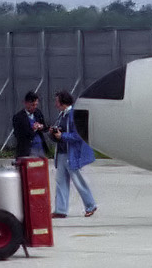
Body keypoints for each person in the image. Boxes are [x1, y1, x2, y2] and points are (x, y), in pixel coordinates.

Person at [50, 90, 97, 218]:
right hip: (62, 153)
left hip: (71, 154)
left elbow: (78, 136)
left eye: (57, 101)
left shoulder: (73, 115)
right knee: (60, 181)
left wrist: (62, 135)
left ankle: (90, 205)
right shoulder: (62, 115)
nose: (55, 104)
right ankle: (60, 209)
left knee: (77, 181)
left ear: (62, 102)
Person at [10, 91, 51, 159]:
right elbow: (18, 135)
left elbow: (45, 126)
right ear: (26, 103)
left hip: (40, 148)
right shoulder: (18, 117)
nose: (34, 107)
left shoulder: (38, 113)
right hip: (27, 150)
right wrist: (33, 129)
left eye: (36, 104)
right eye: (32, 105)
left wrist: (42, 127)